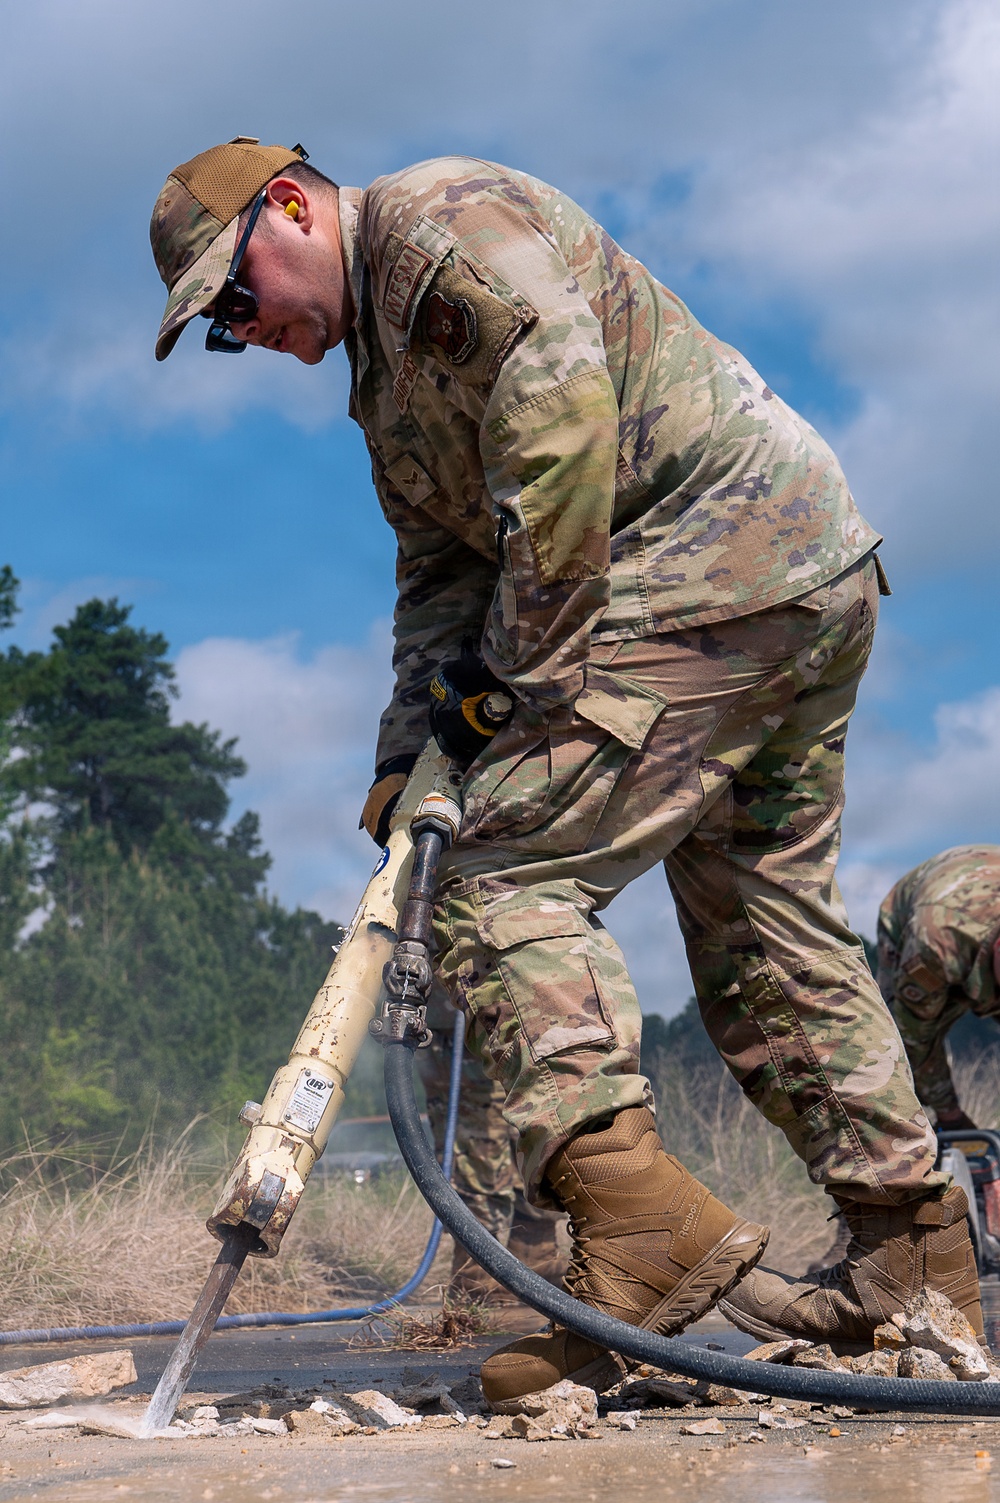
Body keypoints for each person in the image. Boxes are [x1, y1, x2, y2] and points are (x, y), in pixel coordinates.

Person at [149, 137, 983, 1398]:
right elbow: (439, 577)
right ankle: (916, 1266)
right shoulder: (383, 391)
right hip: (788, 574)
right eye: (217, 325)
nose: (239, 329)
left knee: (489, 878)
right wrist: (402, 763)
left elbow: (563, 424)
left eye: (233, 296)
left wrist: (512, 692)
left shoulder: (436, 227)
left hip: (716, 566)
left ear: (289, 207)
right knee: (762, 936)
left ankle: (638, 1231)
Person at [419, 988, 567, 1309]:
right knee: (483, 1126)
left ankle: (532, 1253)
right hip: (474, 1012)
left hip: (516, 1007)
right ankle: (477, 1270)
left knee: (528, 1116)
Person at [877, 845, 1000, 1131]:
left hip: (977, 888)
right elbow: (915, 1036)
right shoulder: (934, 946)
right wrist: (951, 1115)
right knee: (891, 1054)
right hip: (915, 914)